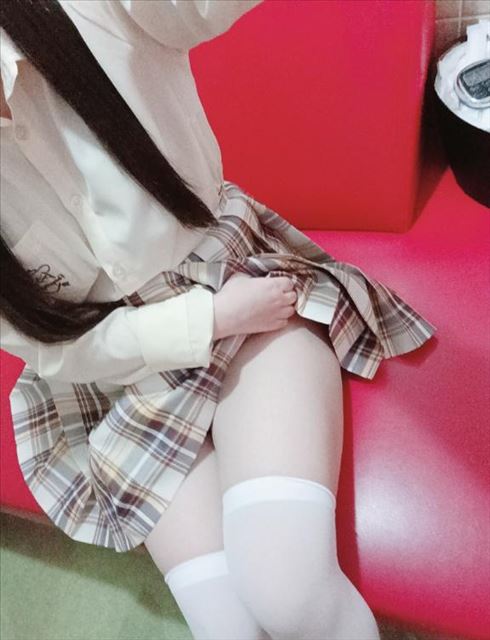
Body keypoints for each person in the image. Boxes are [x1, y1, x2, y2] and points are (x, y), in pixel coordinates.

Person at [0, 2, 437, 639]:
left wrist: (220, 314)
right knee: (226, 627)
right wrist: (204, 321)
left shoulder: (78, 12)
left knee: (287, 591)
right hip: (115, 379)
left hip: (239, 293)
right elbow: (52, 348)